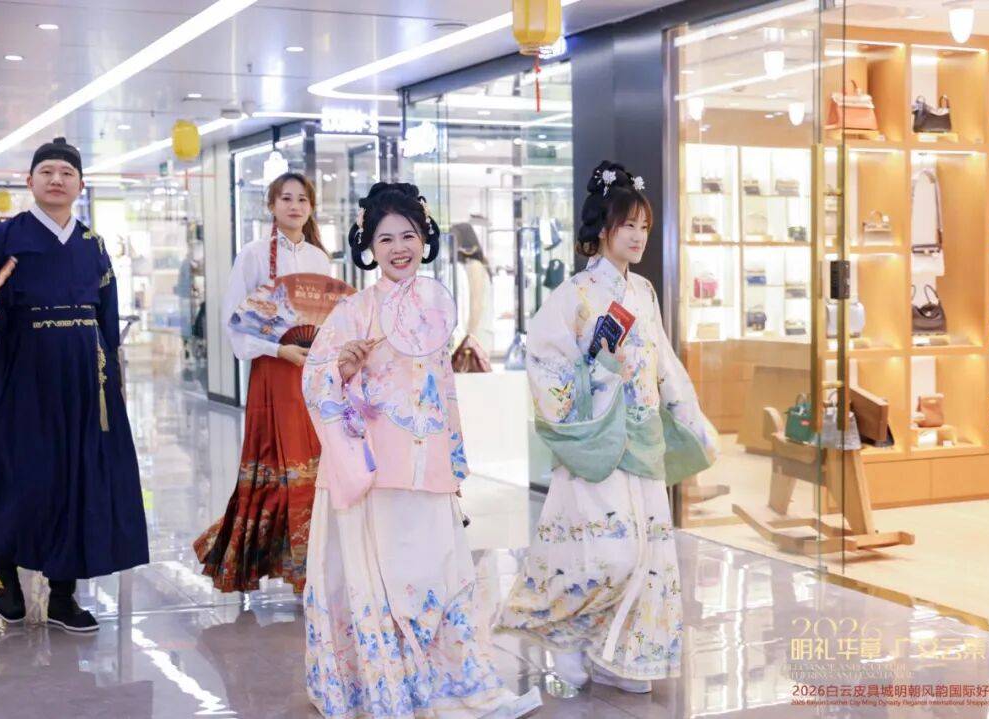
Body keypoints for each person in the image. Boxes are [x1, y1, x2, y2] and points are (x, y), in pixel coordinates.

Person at [300, 182, 541, 719]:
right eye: (385, 238)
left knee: (437, 573)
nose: (398, 247)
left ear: (424, 239)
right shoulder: (354, 310)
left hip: (427, 464)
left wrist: (453, 457)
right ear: (369, 246)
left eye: (408, 235)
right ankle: (389, 687)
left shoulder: (435, 305)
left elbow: (443, 389)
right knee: (387, 577)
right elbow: (314, 380)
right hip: (377, 471)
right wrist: (343, 368)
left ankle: (458, 683)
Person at [497, 161, 719, 692]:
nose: (638, 236)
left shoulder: (643, 291)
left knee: (647, 553)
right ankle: (571, 639)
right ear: (603, 229)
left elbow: (663, 361)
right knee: (606, 554)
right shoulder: (573, 294)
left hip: (641, 439)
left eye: (644, 226)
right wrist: (596, 372)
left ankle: (618, 655)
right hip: (595, 441)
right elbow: (545, 363)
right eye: (628, 225)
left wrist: (689, 416)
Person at [0, 137, 148, 633]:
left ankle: (63, 594)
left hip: (85, 375)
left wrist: (112, 380)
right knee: (18, 469)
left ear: (80, 185)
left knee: (76, 475)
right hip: (23, 369)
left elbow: (106, 316)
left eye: (66, 172)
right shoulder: (5, 237)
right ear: (30, 181)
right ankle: (0, 561)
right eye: (47, 171)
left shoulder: (93, 245)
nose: (57, 179)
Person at [194, 172, 330, 593]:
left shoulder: (320, 259)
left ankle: (310, 564)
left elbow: (330, 317)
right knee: (277, 464)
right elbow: (236, 320)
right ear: (271, 205)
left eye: (302, 199)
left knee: (315, 463)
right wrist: (277, 349)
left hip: (312, 372)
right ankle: (275, 558)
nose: (295, 206)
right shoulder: (253, 255)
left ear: (311, 207)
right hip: (274, 371)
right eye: (286, 198)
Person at [452, 222, 495, 356]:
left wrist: (469, 336)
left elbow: (476, 304)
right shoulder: (474, 265)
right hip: (479, 329)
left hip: (478, 330)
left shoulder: (474, 266)